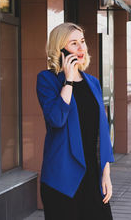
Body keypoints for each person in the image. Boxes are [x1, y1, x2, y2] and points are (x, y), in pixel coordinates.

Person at [36, 22, 114, 220]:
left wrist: (106, 174)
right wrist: (68, 80)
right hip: (62, 178)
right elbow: (56, 119)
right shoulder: (47, 80)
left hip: (92, 175)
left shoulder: (93, 82)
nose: (81, 48)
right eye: (73, 43)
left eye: (83, 42)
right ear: (60, 49)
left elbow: (101, 132)